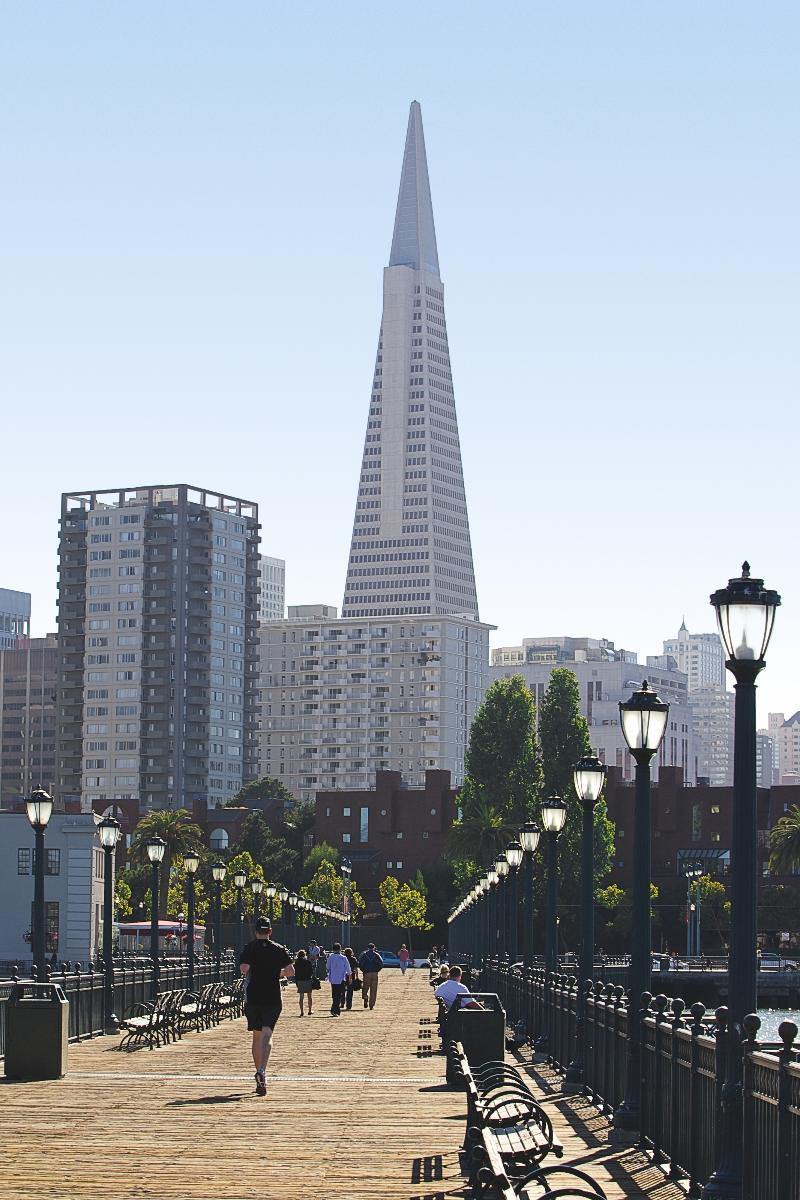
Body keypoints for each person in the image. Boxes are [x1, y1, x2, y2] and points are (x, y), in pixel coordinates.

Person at [239, 917, 294, 1096]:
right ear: (270, 931)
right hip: (272, 996)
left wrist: (257, 967)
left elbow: (244, 968)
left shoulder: (250, 947)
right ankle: (263, 1070)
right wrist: (275, 972)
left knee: (256, 1036)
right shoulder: (278, 949)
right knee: (267, 1034)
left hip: (254, 996)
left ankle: (258, 1071)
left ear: (256, 932)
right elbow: (290, 971)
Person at [326, 942, 352, 1016]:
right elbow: (348, 969)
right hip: (341, 979)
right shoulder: (343, 958)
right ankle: (335, 1009)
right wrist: (349, 977)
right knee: (339, 994)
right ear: (340, 949)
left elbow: (327, 967)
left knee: (334, 994)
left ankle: (334, 1009)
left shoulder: (330, 957)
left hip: (333, 979)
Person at [358, 943, 383, 1010]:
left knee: (365, 987)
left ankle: (365, 996)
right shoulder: (377, 955)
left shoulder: (364, 955)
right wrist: (377, 970)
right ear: (374, 947)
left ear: (367, 948)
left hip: (366, 973)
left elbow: (360, 964)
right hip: (375, 973)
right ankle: (371, 1005)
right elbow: (381, 964)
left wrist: (363, 970)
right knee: (373, 990)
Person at [294, 948, 314, 1016]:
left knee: (301, 997)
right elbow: (311, 972)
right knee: (309, 996)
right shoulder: (308, 962)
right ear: (304, 955)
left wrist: (296, 981)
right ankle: (310, 1010)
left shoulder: (296, 963)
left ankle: (302, 1011)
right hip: (307, 980)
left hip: (300, 980)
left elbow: (295, 973)